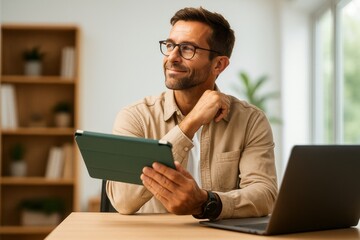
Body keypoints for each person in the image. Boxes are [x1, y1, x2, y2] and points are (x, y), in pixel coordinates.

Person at [107, 6, 277, 221]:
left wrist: (206, 202)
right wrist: (191, 122)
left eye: (187, 49)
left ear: (219, 64)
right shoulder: (135, 117)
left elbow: (265, 194)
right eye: (170, 46)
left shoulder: (250, 120)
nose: (172, 57)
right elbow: (123, 201)